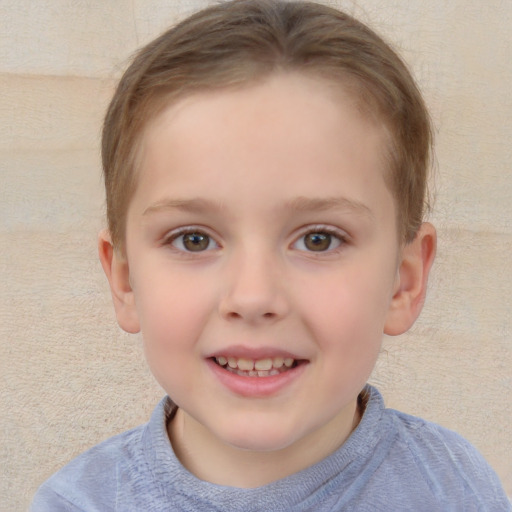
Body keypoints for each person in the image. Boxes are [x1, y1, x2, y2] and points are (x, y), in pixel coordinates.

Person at [31, 1, 510, 510]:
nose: (254, 296)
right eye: (194, 239)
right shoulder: (78, 503)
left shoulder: (455, 488)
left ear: (403, 281)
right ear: (125, 280)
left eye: (318, 239)